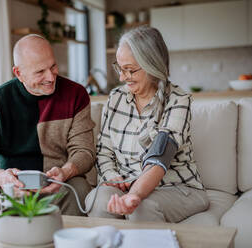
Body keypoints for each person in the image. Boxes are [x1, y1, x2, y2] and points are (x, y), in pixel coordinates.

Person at [0, 34, 95, 216]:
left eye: (53, 66)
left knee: (80, 187)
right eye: (40, 72)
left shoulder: (76, 95)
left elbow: (85, 152)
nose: (50, 77)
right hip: (8, 192)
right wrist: (1, 178)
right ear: (18, 73)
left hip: (55, 189)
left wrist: (64, 172)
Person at [85, 26, 209, 222]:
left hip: (175, 187)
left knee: (140, 209)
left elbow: (159, 157)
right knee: (97, 201)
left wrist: (134, 194)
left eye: (130, 70)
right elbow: (104, 151)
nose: (121, 77)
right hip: (125, 184)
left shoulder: (178, 100)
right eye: (119, 67)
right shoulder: (116, 98)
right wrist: (111, 176)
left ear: (152, 65)